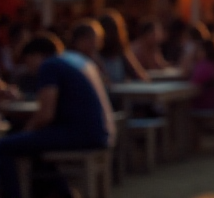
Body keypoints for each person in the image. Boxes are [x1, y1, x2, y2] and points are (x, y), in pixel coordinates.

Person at [0, 33, 116, 198]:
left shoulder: (49, 66)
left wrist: (27, 130)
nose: (28, 66)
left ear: (36, 55)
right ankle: (62, 192)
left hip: (80, 134)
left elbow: (46, 114)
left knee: (4, 146)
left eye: (27, 60)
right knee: (30, 144)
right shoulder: (68, 62)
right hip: (95, 132)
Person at [98, 10, 148, 83]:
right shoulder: (95, 56)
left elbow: (140, 77)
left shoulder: (122, 53)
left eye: (112, 31)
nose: (109, 36)